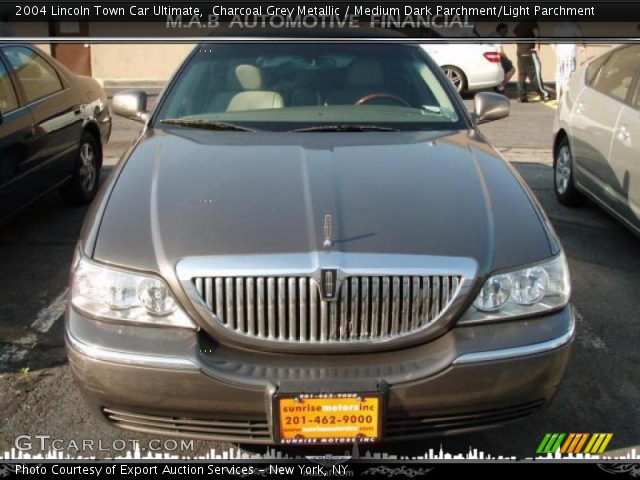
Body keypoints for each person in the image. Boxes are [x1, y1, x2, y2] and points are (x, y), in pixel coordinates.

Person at [514, 20, 552, 102]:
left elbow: (516, 34)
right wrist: (537, 46)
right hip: (529, 51)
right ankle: (544, 94)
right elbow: (537, 34)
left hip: (520, 52)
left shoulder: (519, 25)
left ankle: (521, 96)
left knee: (522, 74)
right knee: (535, 73)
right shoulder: (532, 23)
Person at [553, 21, 585, 99]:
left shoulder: (558, 26)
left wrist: (556, 51)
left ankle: (557, 98)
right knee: (568, 77)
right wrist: (583, 47)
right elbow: (581, 37)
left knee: (559, 76)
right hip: (570, 54)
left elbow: (552, 42)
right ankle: (565, 99)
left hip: (560, 54)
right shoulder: (575, 26)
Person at [489, 23, 515, 93]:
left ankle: (498, 85)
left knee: (503, 69)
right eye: (505, 31)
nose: (506, 33)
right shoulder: (497, 37)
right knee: (512, 69)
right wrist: (507, 59)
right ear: (500, 30)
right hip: (494, 58)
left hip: (490, 57)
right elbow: (500, 52)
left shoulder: (492, 34)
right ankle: (501, 86)